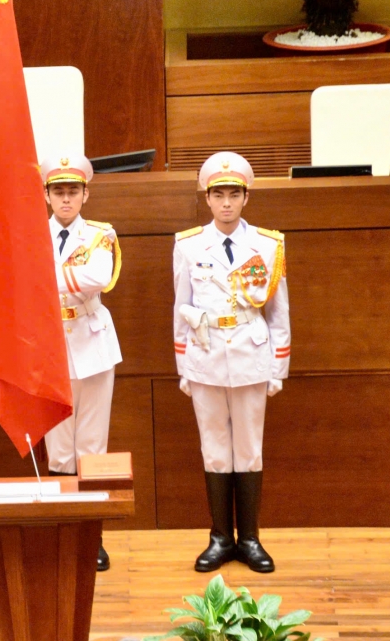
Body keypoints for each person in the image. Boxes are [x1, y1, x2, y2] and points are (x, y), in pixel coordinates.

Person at [174, 152, 289, 574]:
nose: (226, 203)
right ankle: (221, 537)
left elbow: (279, 311)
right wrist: (183, 364)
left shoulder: (266, 244)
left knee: (249, 449)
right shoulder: (188, 245)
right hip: (204, 354)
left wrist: (278, 366)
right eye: (218, 194)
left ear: (246, 198)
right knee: (215, 450)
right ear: (207, 199)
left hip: (250, 352)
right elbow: (180, 306)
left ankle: (251, 538)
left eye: (233, 194)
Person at [41, 155, 122, 572]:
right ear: (47, 196)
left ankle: (92, 538)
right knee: (58, 448)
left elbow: (98, 277)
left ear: (86, 194)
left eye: (74, 190)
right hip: (48, 348)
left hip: (92, 348)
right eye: (58, 191)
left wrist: (42, 276)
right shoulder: (31, 235)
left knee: (91, 447)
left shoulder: (100, 235)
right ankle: (61, 533)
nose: (66, 198)